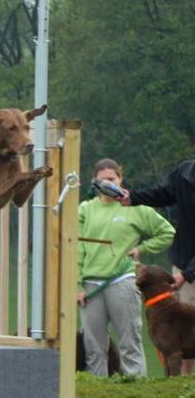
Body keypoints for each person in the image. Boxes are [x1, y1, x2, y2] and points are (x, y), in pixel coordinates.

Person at [77, 158, 175, 377]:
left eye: (111, 180)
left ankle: (135, 388)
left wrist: (142, 248)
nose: (107, 185)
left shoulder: (136, 208)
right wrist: (77, 285)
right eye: (101, 181)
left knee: (130, 342)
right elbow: (77, 248)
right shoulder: (85, 209)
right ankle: (97, 388)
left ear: (120, 179)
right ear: (94, 182)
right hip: (91, 286)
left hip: (123, 282)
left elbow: (167, 232)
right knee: (94, 348)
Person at [118, 159, 195, 373]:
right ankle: (183, 387)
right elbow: (163, 194)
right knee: (181, 336)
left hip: (187, 272)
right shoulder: (184, 172)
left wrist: (187, 274)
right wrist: (132, 197)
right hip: (183, 263)